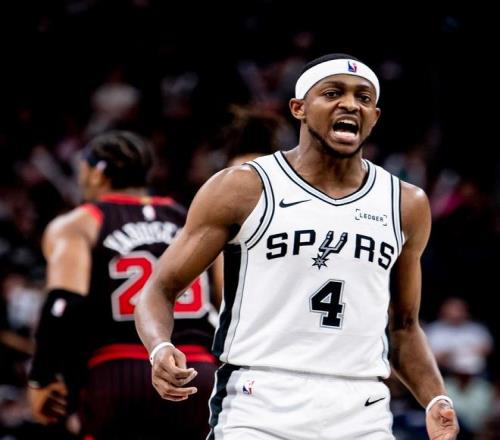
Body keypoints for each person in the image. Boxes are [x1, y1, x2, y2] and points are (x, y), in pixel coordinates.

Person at [135, 54, 460, 439]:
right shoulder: (243, 188)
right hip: (258, 402)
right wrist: (159, 347)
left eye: (363, 97)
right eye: (333, 93)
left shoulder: (406, 204)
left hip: (362, 410)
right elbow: (160, 288)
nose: (350, 104)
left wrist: (436, 398)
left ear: (374, 116)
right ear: (298, 108)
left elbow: (404, 327)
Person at [28, 131, 217, 439]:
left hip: (117, 372)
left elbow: (64, 304)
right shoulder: (189, 218)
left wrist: (42, 378)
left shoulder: (80, 222)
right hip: (195, 371)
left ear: (96, 173)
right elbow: (225, 298)